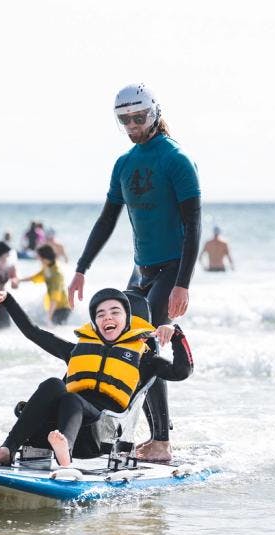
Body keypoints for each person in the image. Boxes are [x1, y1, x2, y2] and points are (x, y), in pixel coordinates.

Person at [67, 83, 202, 462]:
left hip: (172, 266)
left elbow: (194, 224)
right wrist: (81, 268)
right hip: (141, 271)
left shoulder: (176, 160)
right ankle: (132, 431)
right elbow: (107, 218)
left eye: (138, 117)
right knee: (127, 344)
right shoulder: (124, 163)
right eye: (124, 119)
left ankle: (160, 440)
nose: (132, 125)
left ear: (155, 113)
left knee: (143, 345)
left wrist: (182, 284)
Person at [0, 288, 194, 467]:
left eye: (115, 312)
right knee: (53, 385)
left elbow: (182, 371)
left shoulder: (145, 360)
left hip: (97, 436)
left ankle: (65, 458)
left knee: (72, 398)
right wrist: (8, 300)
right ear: (94, 323)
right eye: (100, 314)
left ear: (128, 320)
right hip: (53, 430)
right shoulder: (77, 350)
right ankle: (8, 448)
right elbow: (33, 332)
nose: (107, 317)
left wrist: (176, 334)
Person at [18, 244, 72, 325]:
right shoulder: (48, 267)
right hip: (56, 307)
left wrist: (48, 317)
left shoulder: (56, 274)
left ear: (44, 258)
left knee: (56, 331)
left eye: (39, 256)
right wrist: (19, 280)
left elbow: (55, 297)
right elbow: (37, 277)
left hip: (62, 308)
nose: (37, 258)